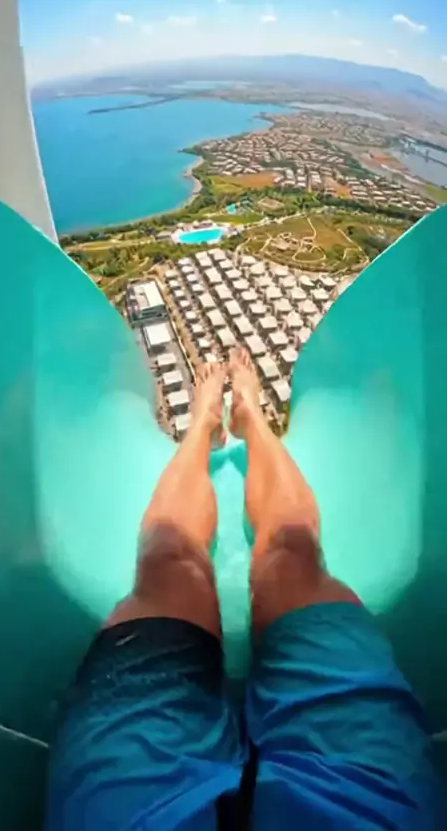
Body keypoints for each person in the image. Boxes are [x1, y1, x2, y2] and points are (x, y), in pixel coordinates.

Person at [46, 348, 441, 830]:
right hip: (362, 809)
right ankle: (216, 423)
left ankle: (238, 419)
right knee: (286, 552)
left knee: (175, 560)